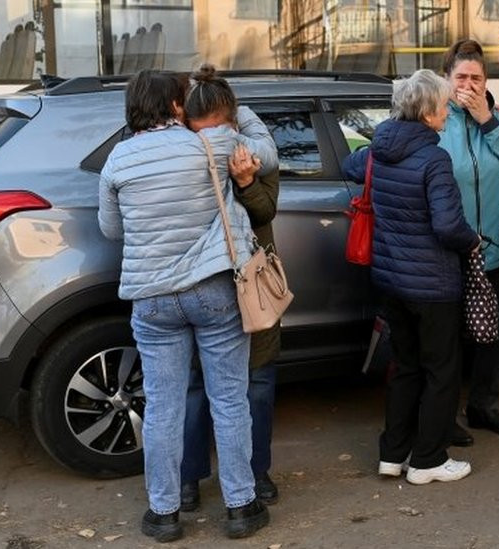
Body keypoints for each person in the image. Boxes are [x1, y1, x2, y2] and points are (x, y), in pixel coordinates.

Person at [98, 70, 268, 542]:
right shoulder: (209, 145)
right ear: (177, 106)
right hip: (212, 290)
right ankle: (241, 507)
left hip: (151, 299)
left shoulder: (117, 160)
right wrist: (235, 106)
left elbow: (112, 231)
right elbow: (265, 153)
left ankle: (164, 513)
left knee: (163, 407)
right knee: (230, 399)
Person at [342, 69, 481, 485]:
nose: (447, 112)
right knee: (441, 371)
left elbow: (352, 167)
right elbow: (447, 225)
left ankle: (393, 454)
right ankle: (428, 460)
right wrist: (472, 239)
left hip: (391, 280)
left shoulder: (380, 148)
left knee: (405, 368)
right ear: (426, 112)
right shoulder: (434, 158)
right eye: (443, 106)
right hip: (433, 284)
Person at [179, 65, 282, 512]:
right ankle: (189, 478)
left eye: (219, 131)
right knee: (196, 386)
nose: (213, 142)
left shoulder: (253, 154)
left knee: (257, 383)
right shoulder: (180, 156)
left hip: (251, 283)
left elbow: (265, 213)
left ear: (231, 122)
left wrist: (245, 183)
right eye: (202, 132)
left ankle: (257, 473)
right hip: (202, 286)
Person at [438, 39, 499, 442]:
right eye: (462, 77)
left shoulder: (495, 119)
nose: (470, 85)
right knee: (451, 338)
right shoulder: (436, 118)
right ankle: (445, 416)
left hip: (495, 251)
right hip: (451, 252)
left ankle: (483, 405)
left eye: (477, 77)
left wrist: (488, 120)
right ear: (447, 79)